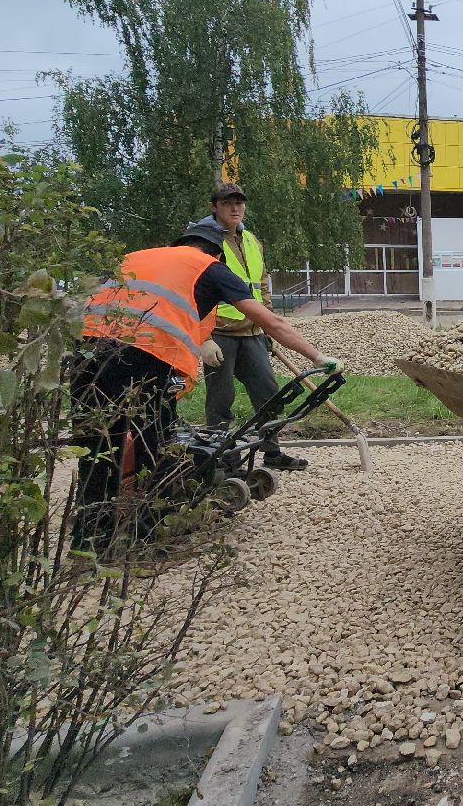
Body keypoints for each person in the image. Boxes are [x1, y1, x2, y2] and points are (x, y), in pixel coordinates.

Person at [70, 221, 335, 546]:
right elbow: (272, 322)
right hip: (142, 360)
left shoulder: (136, 257)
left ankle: (89, 545)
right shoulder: (210, 267)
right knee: (154, 449)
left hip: (84, 357)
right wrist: (319, 358)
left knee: (98, 451)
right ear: (216, 254)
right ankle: (151, 535)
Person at [195, 182, 307, 472]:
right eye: (227, 202)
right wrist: (203, 337)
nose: (235, 208)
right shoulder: (204, 241)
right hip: (220, 333)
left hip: (253, 332)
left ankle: (272, 452)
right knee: (221, 400)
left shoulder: (252, 241)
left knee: (268, 394)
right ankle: (225, 458)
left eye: (239, 202)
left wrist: (268, 326)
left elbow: (261, 286)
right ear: (214, 207)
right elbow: (192, 291)